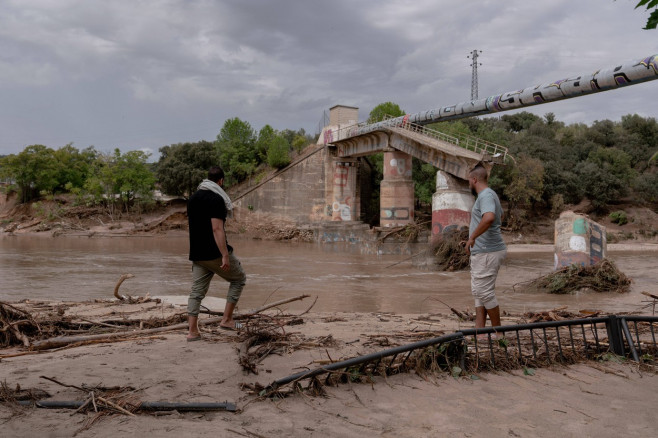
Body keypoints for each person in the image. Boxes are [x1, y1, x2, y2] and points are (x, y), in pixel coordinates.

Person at [186, 166, 246, 341]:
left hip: (197, 254)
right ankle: (227, 320)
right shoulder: (217, 199)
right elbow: (217, 228)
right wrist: (225, 255)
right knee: (239, 279)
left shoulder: (192, 198)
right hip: (214, 253)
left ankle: (192, 332)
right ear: (221, 181)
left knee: (196, 292)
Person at [464, 164, 507, 331]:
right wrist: (474, 238)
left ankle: (499, 333)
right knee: (478, 292)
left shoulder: (486, 195)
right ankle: (480, 331)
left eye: (469, 179)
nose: (468, 183)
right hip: (483, 250)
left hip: (488, 251)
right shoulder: (488, 196)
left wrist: (473, 237)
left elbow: (489, 217)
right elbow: (500, 215)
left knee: (485, 292)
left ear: (474, 179)